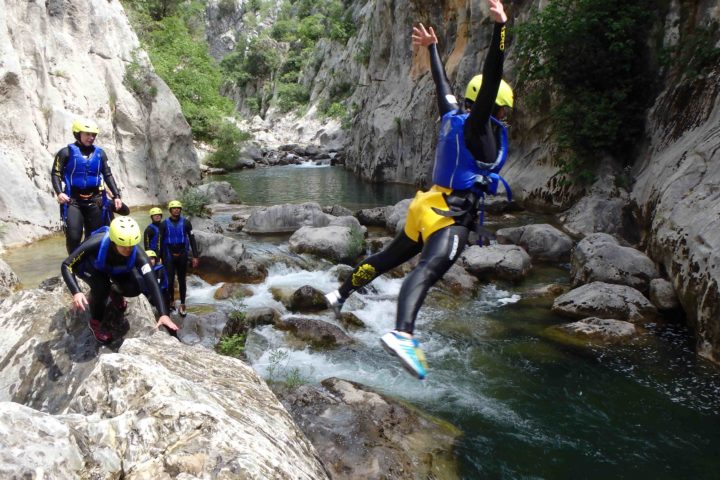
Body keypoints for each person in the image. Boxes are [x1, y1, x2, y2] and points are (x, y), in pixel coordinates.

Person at [324, 0, 512, 380]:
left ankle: (340, 294)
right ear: (498, 109)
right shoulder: (478, 126)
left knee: (386, 260)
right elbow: (492, 75)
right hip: (449, 216)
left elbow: (442, 86)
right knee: (429, 269)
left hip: (424, 205)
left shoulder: (452, 116)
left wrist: (432, 49)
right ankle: (402, 332)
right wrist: (500, 30)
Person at [61, 216, 178, 343]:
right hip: (91, 267)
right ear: (113, 241)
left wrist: (163, 314)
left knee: (135, 288)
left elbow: (152, 282)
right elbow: (67, 265)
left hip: (114, 268)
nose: (128, 249)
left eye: (131, 246)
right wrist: (76, 291)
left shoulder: (139, 254)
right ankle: (95, 322)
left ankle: (115, 291)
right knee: (101, 287)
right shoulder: (96, 243)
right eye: (123, 246)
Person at [52, 118, 125, 253]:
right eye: (87, 134)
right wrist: (59, 193)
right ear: (78, 134)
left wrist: (116, 196)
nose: (91, 138)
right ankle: (72, 268)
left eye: (93, 135)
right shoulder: (65, 153)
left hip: (95, 200)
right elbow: (55, 173)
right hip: (73, 201)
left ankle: (91, 267)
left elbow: (108, 175)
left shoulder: (100, 154)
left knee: (94, 237)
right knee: (73, 237)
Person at [159, 200, 199, 317]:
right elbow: (160, 242)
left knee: (182, 281)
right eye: (174, 208)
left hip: (182, 255)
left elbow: (192, 239)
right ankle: (171, 301)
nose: (176, 210)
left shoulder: (186, 223)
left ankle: (182, 304)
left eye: (178, 208)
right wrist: (159, 257)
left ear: (180, 210)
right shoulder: (163, 224)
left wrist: (195, 256)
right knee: (170, 281)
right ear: (170, 210)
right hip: (169, 255)